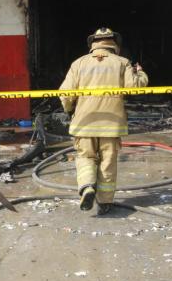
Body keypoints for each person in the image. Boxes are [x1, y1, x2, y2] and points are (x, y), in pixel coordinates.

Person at [59, 27, 148, 215]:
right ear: (114, 43)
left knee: (85, 157)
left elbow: (66, 94)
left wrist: (69, 110)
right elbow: (134, 88)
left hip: (84, 122)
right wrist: (140, 74)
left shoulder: (79, 63)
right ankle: (105, 203)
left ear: (93, 43)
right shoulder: (123, 62)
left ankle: (87, 187)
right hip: (112, 124)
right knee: (107, 161)